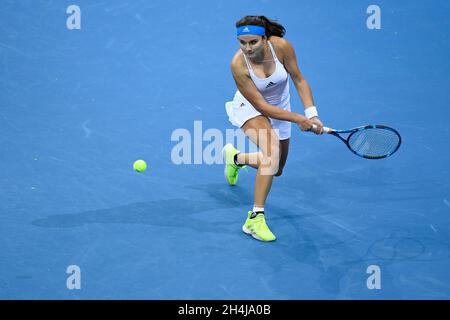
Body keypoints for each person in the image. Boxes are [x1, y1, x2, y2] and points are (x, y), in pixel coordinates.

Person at [223, 15, 324, 242]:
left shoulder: (282, 47)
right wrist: (298, 119)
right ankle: (255, 219)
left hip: (281, 106)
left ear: (265, 38)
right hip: (251, 108)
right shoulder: (238, 64)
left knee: (275, 168)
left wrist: (311, 114)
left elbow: (298, 79)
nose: (247, 48)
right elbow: (261, 106)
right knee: (271, 152)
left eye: (253, 42)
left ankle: (236, 158)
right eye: (242, 42)